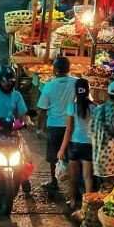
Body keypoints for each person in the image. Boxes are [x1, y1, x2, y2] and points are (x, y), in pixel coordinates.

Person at [37, 56, 78, 192]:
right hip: (72, 126)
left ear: (54, 70)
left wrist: (39, 128)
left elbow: (42, 109)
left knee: (53, 156)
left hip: (54, 126)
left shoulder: (49, 86)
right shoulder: (77, 83)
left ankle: (54, 181)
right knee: (71, 156)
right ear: (69, 69)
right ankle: (73, 186)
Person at [57, 78, 95, 214]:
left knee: (74, 176)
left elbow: (69, 129)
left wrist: (62, 148)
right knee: (87, 177)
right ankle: (89, 204)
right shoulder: (94, 107)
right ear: (88, 91)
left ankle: (73, 200)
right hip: (89, 144)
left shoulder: (71, 107)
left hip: (74, 145)